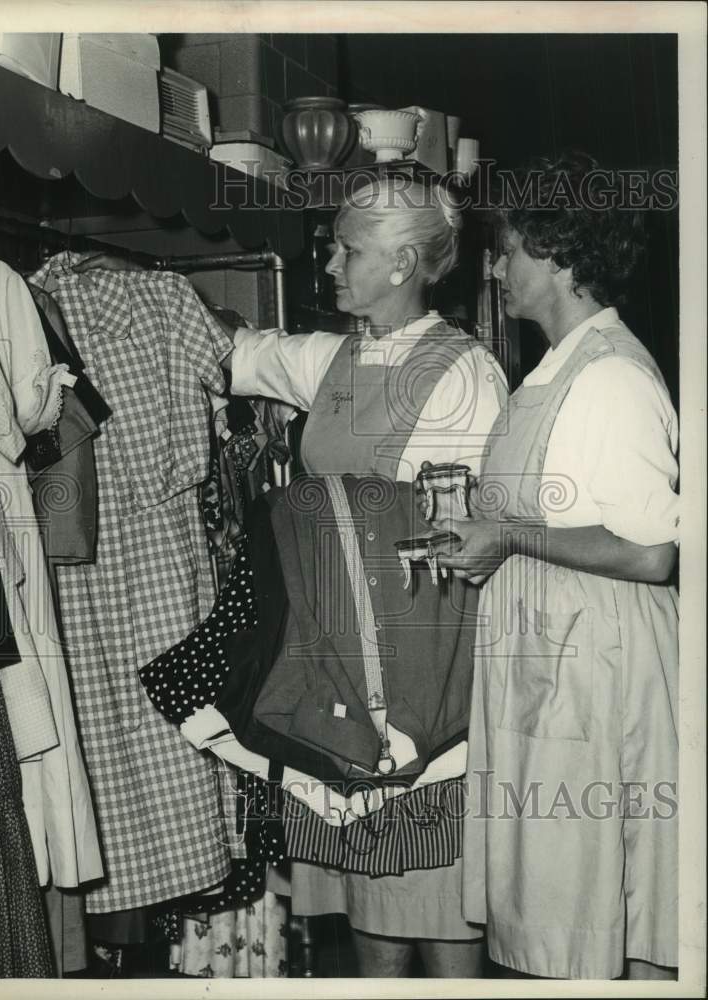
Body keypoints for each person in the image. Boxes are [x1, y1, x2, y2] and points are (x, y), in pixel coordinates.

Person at [218, 176, 508, 977]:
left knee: (435, 895)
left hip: (424, 674)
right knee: (367, 898)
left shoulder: (466, 376)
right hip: (333, 667)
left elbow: (467, 551)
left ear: (403, 263)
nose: (330, 265)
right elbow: (233, 353)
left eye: (348, 250)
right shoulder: (335, 356)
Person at [428, 152, 679, 980]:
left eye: (507, 250)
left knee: (590, 917)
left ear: (561, 255)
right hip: (551, 666)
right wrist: (486, 536)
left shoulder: (611, 378)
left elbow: (650, 551)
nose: (494, 269)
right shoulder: (556, 368)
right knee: (555, 914)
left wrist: (506, 538)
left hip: (596, 674)